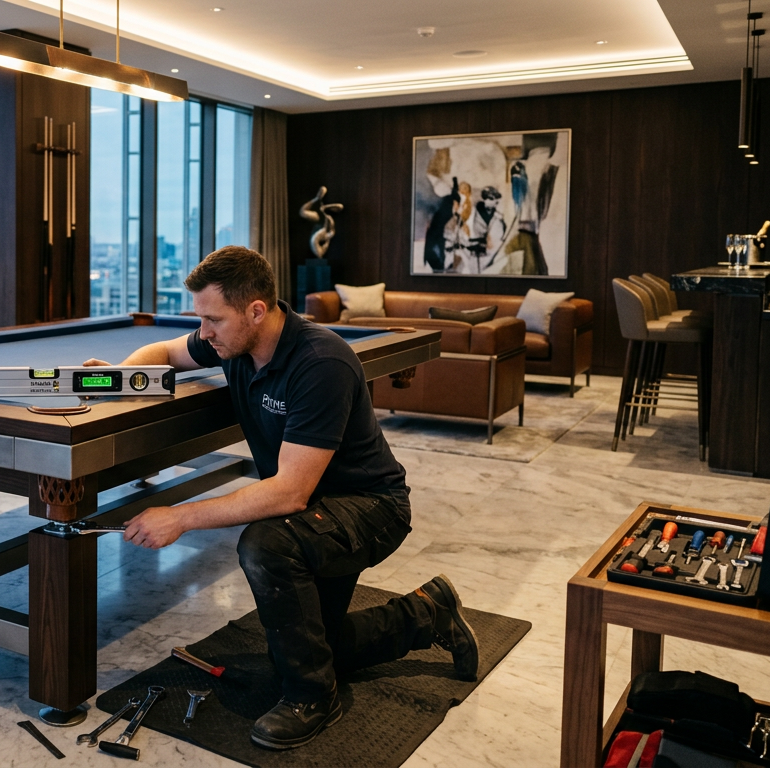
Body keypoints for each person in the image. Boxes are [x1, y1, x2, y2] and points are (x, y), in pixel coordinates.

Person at [84, 246, 479, 750]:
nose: (203, 332)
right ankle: (427, 614)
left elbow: (291, 492)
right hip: (319, 506)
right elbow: (165, 352)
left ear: (255, 310)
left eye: (212, 319)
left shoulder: (320, 361)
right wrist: (121, 376)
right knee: (311, 645)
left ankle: (312, 698)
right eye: (200, 319)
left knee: (268, 543)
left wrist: (180, 516)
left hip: (371, 508)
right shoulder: (235, 342)